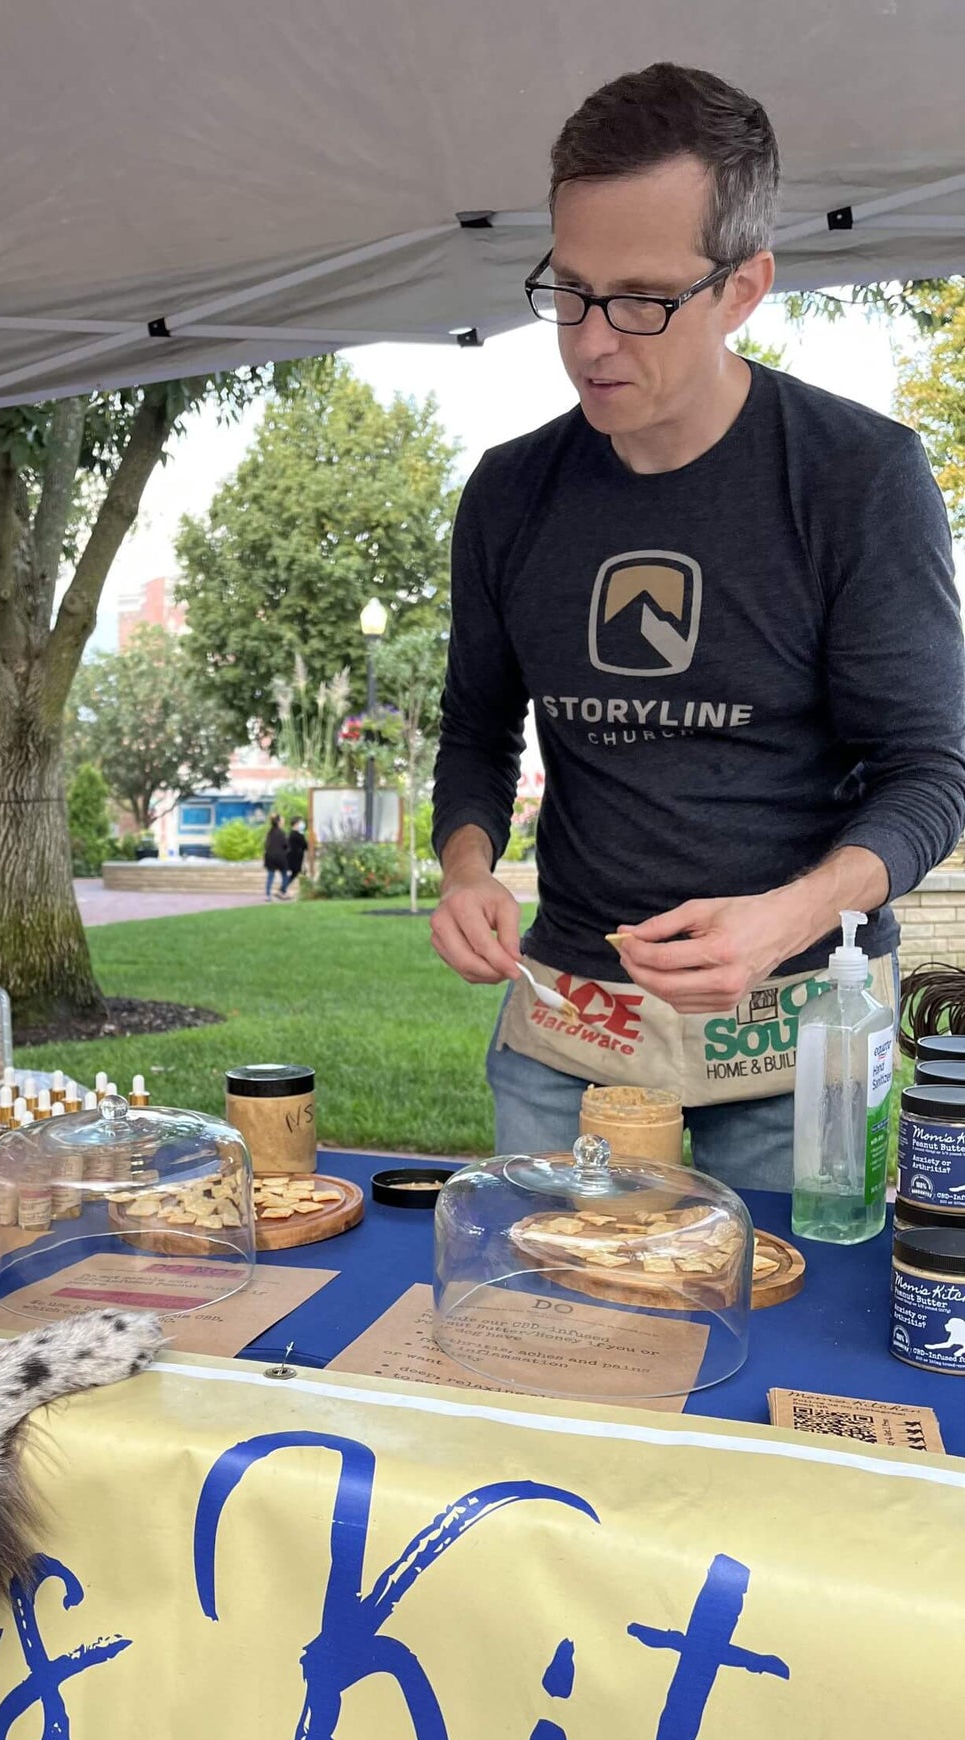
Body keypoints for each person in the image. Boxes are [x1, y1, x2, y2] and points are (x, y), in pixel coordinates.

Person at [429, 62, 965, 1193]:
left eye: (640, 299)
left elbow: (931, 774)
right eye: (568, 291)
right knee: (552, 1329)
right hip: (570, 1025)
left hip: (796, 1029)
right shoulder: (511, 492)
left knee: (776, 1339)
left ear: (745, 286)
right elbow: (477, 729)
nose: (591, 343)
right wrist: (467, 865)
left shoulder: (856, 478)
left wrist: (793, 915)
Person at [263, 813, 288, 899]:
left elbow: (266, 845)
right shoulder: (282, 833)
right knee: (285, 876)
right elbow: (286, 845)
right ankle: (282, 891)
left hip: (270, 857)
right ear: (279, 822)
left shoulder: (269, 833)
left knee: (270, 876)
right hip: (280, 857)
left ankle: (268, 895)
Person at [287, 816, 309, 892]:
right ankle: (283, 888)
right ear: (296, 824)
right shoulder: (296, 835)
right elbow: (305, 845)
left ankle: (304, 889)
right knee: (297, 873)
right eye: (300, 823)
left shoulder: (293, 834)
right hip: (296, 859)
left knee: (297, 873)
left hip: (297, 858)